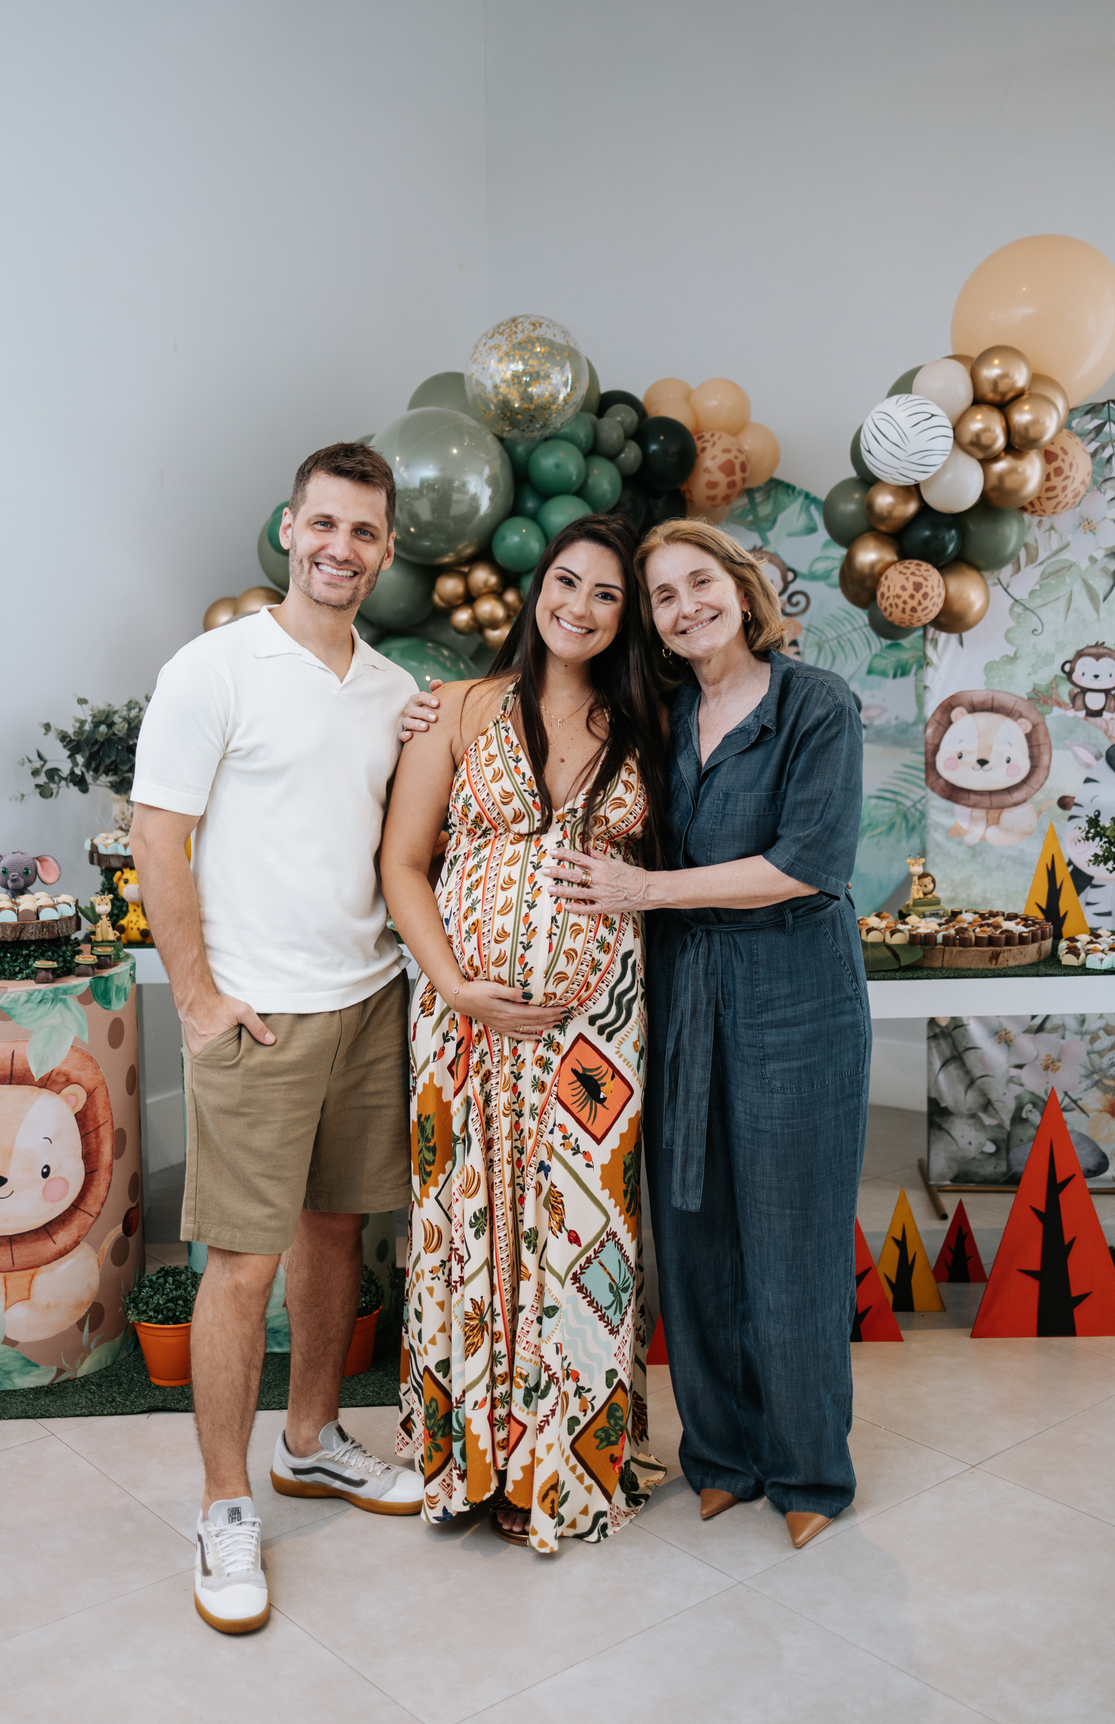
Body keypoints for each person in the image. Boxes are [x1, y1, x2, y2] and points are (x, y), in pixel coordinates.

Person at [130, 442, 434, 1635]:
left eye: (364, 532)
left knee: (334, 1236)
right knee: (240, 1265)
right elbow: (161, 840)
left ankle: (311, 1442)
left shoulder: (390, 685)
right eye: (323, 525)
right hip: (258, 1014)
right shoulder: (215, 669)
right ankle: (221, 1503)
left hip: (368, 999)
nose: (340, 549)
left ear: (387, 548)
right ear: (289, 528)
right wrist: (199, 1000)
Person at [547, 518, 869, 1552]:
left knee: (793, 1237)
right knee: (690, 1229)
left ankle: (810, 1468)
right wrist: (439, 708)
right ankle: (722, 1456)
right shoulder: (659, 712)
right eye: (663, 597)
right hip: (685, 988)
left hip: (795, 986)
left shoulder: (816, 706)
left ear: (742, 585)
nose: (686, 607)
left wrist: (646, 889)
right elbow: (548, 718)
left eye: (701, 583)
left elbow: (807, 861)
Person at [381, 514, 669, 1552]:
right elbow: (405, 864)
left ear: (626, 618)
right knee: (466, 1216)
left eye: (606, 595)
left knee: (582, 1228)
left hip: (595, 1034)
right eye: (567, 581)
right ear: (537, 587)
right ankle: (467, 1459)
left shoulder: (646, 720)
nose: (579, 607)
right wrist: (456, 985)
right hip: (461, 1022)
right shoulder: (457, 709)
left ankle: (563, 1464)